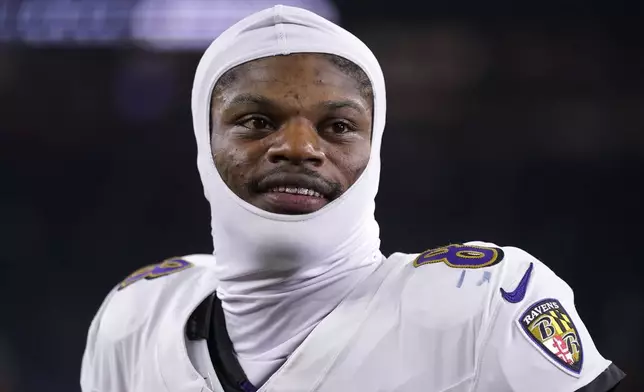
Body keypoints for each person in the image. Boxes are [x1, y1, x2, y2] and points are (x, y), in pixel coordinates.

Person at [80, 5, 625, 392]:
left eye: (338, 125)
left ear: (375, 143)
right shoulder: (136, 318)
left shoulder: (484, 306)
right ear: (204, 140)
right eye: (256, 121)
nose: (297, 147)